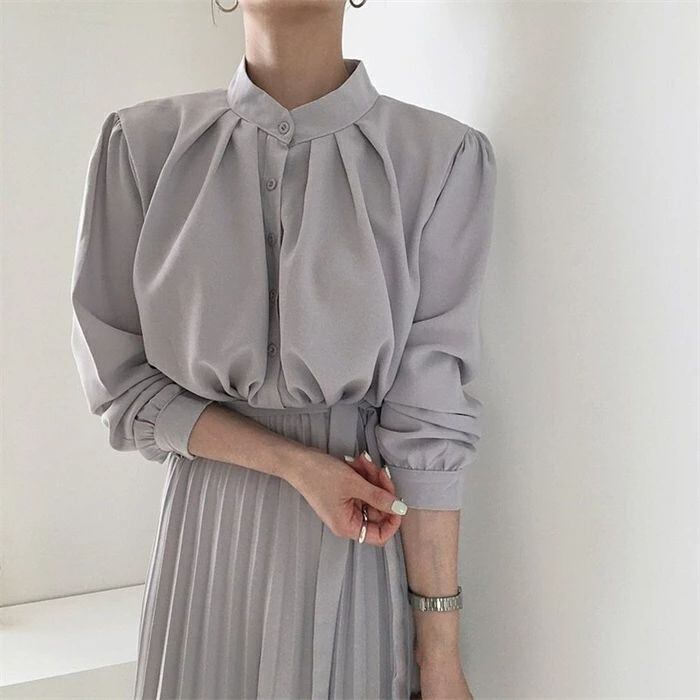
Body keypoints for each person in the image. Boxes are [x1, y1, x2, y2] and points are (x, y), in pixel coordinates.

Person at [69, 0, 497, 697]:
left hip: (355, 544)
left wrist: (440, 656)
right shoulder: (141, 147)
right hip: (202, 549)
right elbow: (121, 386)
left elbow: (430, 423)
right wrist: (294, 464)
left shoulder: (442, 159)